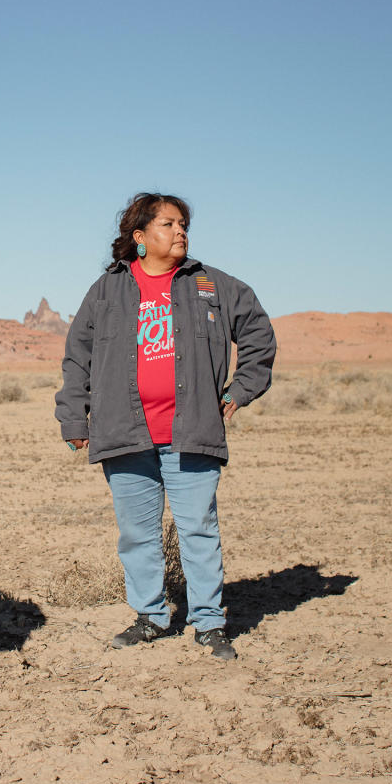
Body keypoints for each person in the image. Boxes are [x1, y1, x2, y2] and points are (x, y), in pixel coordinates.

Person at [55, 192, 276, 661]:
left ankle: (209, 623)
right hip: (124, 431)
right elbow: (78, 357)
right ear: (139, 237)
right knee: (137, 533)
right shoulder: (107, 290)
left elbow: (257, 332)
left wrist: (239, 390)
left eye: (183, 225)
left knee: (198, 528)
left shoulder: (210, 285)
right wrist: (74, 416)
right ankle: (150, 616)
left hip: (191, 429)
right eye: (168, 224)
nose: (180, 232)